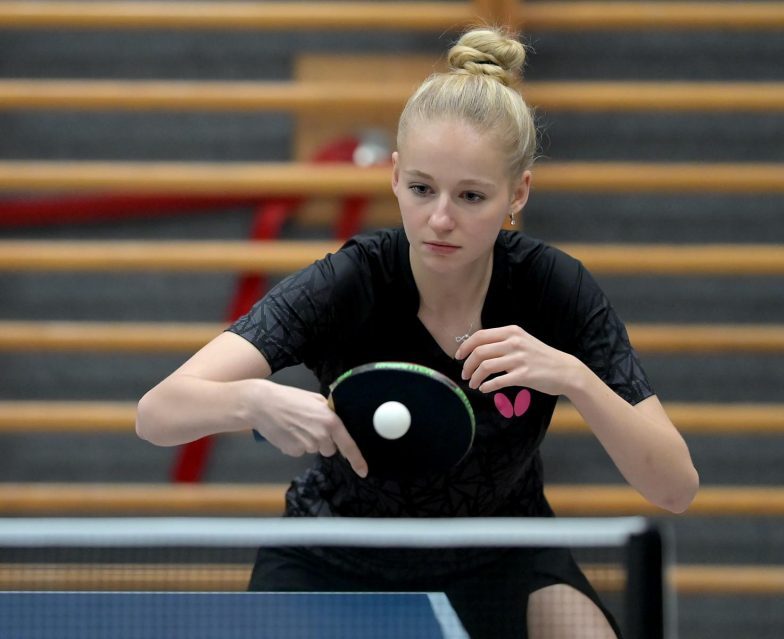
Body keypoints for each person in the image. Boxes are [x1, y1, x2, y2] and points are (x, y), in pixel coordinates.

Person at [136, 26, 698, 639]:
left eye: (472, 196)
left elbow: (674, 488)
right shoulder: (349, 282)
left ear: (518, 193)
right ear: (396, 176)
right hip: (334, 557)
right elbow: (157, 414)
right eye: (422, 188)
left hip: (502, 551)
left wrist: (576, 378)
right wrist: (253, 399)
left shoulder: (553, 290)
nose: (439, 219)